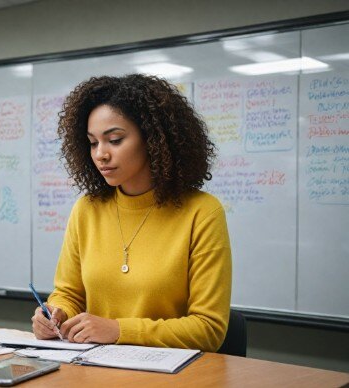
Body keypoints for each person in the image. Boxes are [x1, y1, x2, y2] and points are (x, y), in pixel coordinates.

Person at [31, 74, 232, 352]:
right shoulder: (87, 210)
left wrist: (118, 330)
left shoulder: (202, 212)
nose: (101, 154)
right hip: (96, 369)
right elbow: (69, 293)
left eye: (114, 140)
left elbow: (208, 329)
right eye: (92, 142)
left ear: (153, 139)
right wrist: (56, 313)